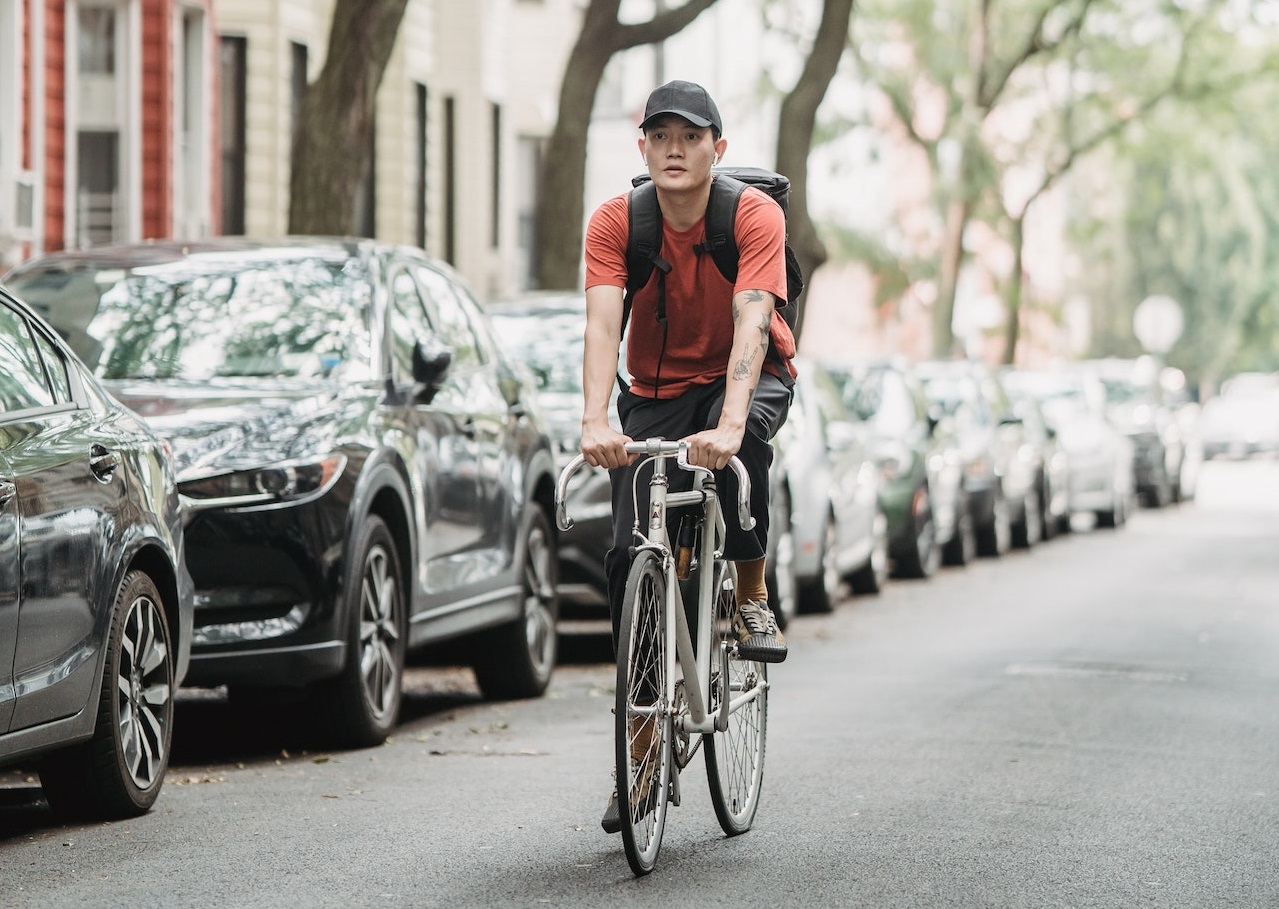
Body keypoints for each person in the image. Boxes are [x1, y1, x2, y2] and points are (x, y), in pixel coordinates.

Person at [580, 79, 798, 833]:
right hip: (657, 391)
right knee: (626, 551)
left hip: (747, 377)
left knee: (741, 458)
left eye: (691, 136)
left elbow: (752, 320)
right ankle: (640, 750)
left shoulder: (751, 214)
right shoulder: (617, 222)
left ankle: (750, 591)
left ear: (717, 149)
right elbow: (603, 323)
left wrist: (733, 424)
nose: (675, 149)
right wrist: (592, 419)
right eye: (660, 136)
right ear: (642, 147)